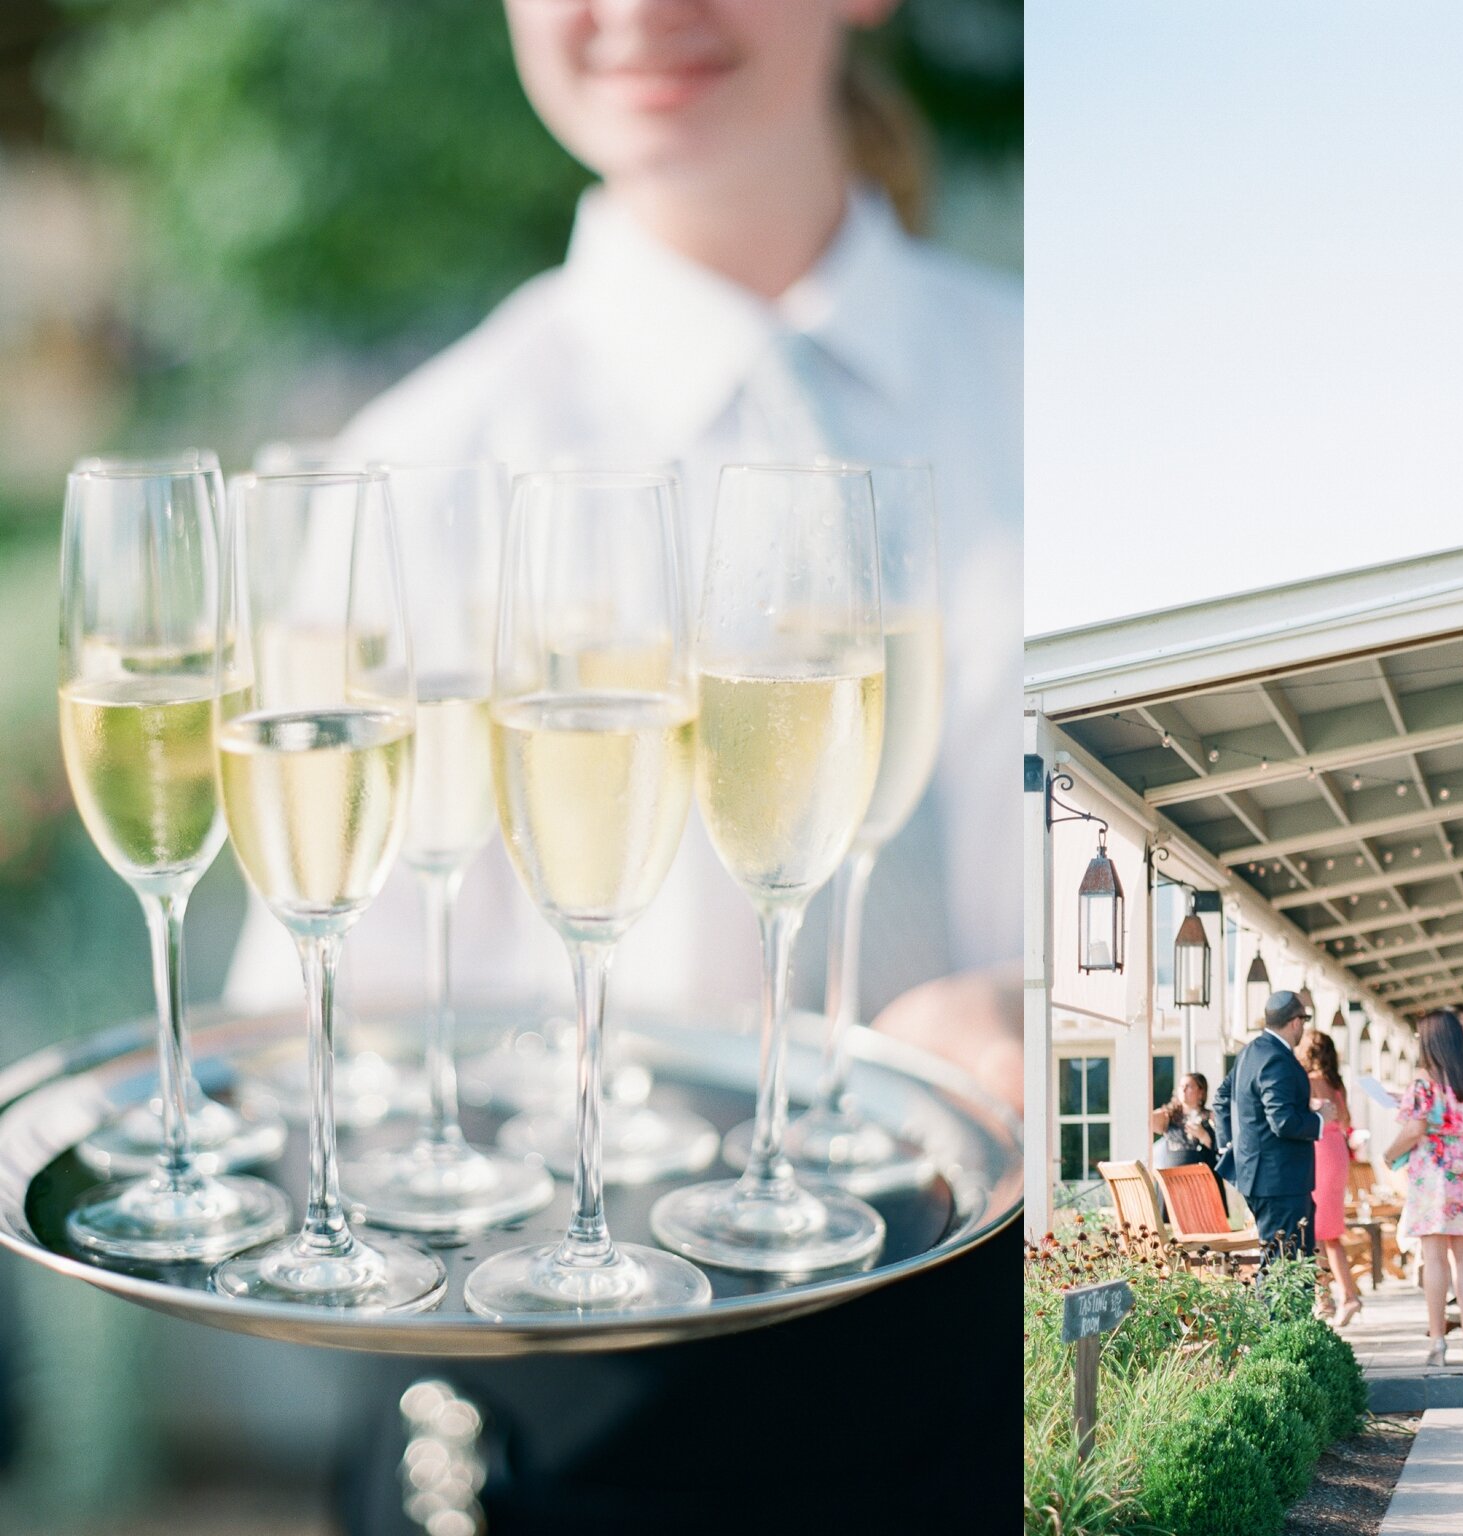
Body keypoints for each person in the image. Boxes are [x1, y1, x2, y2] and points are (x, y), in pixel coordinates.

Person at [236, 8, 1024, 1530]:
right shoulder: (420, 466)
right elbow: (307, 1036)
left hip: (1005, 1399)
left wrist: (1047, 1020)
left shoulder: (1051, 384)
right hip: (575, 1438)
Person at [1384, 1009, 1463, 1366]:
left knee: (1434, 1257)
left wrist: (1389, 1154)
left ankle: (1438, 1343)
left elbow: (1414, 1129)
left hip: (1433, 1170)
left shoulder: (1423, 1081)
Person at [1215, 991, 1323, 1262]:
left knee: (1290, 1262)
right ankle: (1274, 1308)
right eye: (1304, 1021)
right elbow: (1283, 1122)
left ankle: (1288, 1306)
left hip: (1260, 1176)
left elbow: (1222, 1097)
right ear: (1296, 1022)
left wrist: (1230, 1145)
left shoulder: (1251, 1051)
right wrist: (1321, 1119)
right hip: (1280, 1180)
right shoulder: (1277, 1059)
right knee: (1283, 1265)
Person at [1297, 1030, 1363, 1326]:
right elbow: (1346, 1120)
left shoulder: (1308, 1083)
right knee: (1326, 1231)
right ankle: (1328, 1297)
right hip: (1337, 1151)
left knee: (1321, 1232)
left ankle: (1339, 1297)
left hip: (1319, 1150)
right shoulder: (1337, 1084)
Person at [1150, 1071, 1222, 1198]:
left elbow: (1217, 1151)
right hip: (1172, 1180)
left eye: (1188, 1086)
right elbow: (1147, 1121)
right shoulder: (1168, 1116)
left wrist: (1203, 1136)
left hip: (1200, 1183)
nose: (1183, 1090)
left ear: (1201, 1092)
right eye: (1181, 1086)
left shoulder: (1211, 1117)